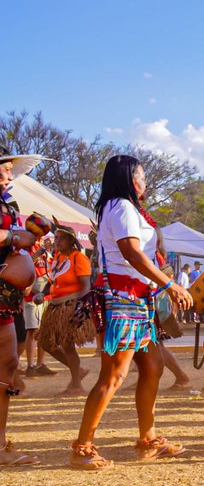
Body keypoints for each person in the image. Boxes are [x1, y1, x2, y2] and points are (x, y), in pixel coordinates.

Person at [70, 155, 191, 470]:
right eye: (142, 175)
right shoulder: (120, 207)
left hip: (136, 298)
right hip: (122, 299)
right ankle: (82, 447)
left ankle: (148, 440)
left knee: (152, 365)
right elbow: (131, 253)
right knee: (113, 376)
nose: (145, 181)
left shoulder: (126, 208)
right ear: (129, 178)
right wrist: (169, 285)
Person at [0, 146, 43, 466]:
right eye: (2, 168)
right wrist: (13, 239)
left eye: (9, 168)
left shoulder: (9, 202)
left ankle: (0, 444)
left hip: (6, 299)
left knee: (9, 366)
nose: (7, 173)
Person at [37, 224, 95, 395]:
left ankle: (76, 384)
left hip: (70, 306)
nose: (57, 241)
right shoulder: (58, 258)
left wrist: (81, 308)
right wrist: (42, 293)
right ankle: (78, 371)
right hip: (55, 306)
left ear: (71, 241)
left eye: (62, 238)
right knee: (45, 342)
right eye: (56, 237)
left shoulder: (79, 258)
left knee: (68, 345)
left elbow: (86, 285)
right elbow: (52, 281)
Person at [23, 238, 55, 377]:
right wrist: (40, 251)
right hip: (32, 296)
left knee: (43, 330)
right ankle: (30, 366)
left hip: (46, 295)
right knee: (32, 330)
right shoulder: (27, 246)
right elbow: (25, 263)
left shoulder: (47, 250)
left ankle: (41, 364)